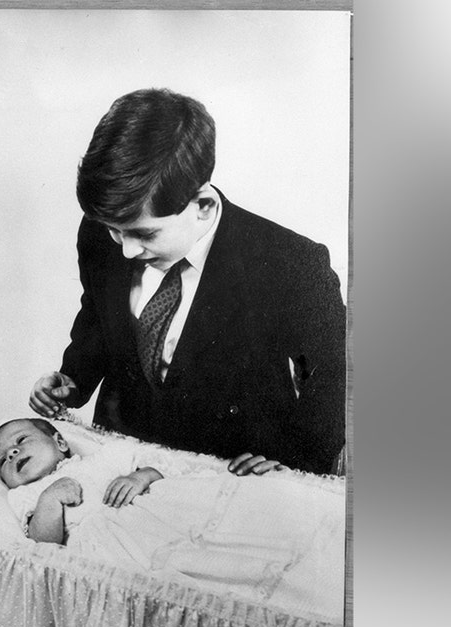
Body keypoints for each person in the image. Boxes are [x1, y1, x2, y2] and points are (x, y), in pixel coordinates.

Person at [30, 89, 346, 475]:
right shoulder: (101, 233)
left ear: (203, 206)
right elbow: (97, 316)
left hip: (230, 471)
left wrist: (295, 457)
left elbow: (338, 374)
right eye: (115, 232)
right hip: (124, 458)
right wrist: (73, 379)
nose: (126, 250)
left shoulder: (290, 263)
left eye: (145, 235)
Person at [0, 418, 344, 620]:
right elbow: (43, 549)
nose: (14, 453)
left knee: (220, 524)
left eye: (21, 441)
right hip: (116, 545)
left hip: (162, 511)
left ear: (61, 442)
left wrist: (138, 478)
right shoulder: (25, 496)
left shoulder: (103, 457)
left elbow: (160, 471)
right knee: (188, 574)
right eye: (4, 459)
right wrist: (51, 501)